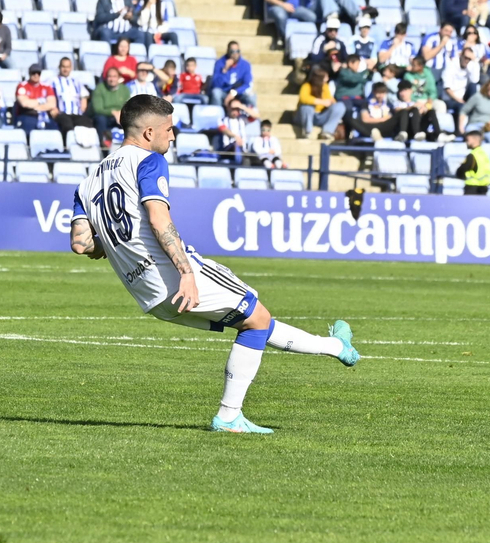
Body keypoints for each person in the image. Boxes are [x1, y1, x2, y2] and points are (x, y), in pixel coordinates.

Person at [69, 95, 360, 434]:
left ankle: (337, 347)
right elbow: (159, 218)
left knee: (254, 319)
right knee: (256, 319)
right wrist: (187, 273)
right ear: (148, 133)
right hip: (174, 276)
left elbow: (81, 244)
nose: (173, 135)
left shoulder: (87, 183)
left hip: (146, 294)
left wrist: (106, 242)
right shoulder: (148, 161)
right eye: (169, 128)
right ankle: (229, 416)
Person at [455, 127, 490, 193]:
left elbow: (461, 170)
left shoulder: (472, 155)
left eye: (468, 139)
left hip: (472, 188)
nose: (466, 142)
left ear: (474, 139)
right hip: (483, 188)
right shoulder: (484, 154)